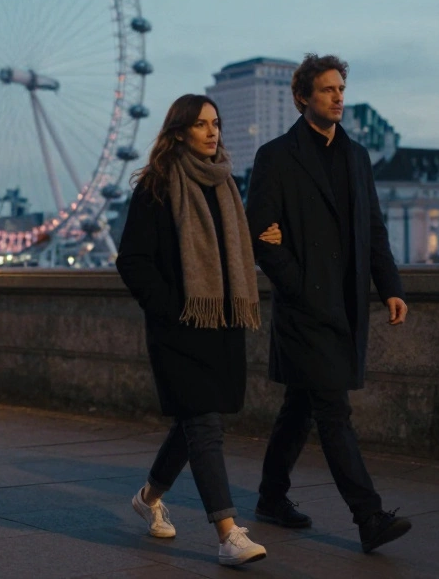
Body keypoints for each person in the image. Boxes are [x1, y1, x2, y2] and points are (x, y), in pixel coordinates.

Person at [245, 53, 412, 554]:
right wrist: (297, 285)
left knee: (301, 406)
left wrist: (391, 286)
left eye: (341, 89)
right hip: (305, 308)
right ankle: (369, 516)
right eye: (327, 90)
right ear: (302, 98)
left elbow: (373, 229)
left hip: (347, 304)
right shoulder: (276, 156)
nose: (338, 97)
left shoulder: (358, 156)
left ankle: (270, 497)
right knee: (334, 410)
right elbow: (261, 233)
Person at [116, 94, 275, 566]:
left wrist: (260, 239)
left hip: (220, 325)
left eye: (216, 123)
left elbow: (228, 253)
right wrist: (171, 308)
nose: (212, 132)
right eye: (202, 124)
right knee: (204, 425)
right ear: (180, 130)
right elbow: (132, 260)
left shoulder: (224, 184)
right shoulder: (156, 186)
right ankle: (228, 535)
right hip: (178, 329)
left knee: (194, 424)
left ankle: (148, 498)